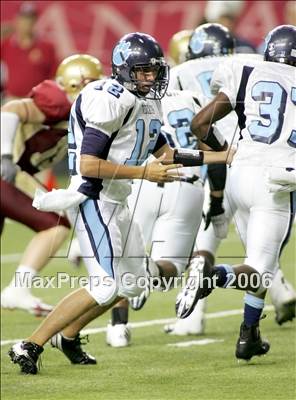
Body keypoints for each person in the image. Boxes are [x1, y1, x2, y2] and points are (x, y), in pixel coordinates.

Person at [8, 32, 234, 374]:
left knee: (132, 283)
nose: (150, 77)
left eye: (154, 70)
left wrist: (221, 156)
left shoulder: (145, 101)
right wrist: (143, 173)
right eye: (142, 71)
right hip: (92, 199)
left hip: (117, 199)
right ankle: (29, 344)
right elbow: (88, 165)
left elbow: (167, 153)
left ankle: (68, 337)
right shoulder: (110, 99)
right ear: (124, 69)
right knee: (106, 285)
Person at [175, 25, 296, 361]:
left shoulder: (246, 69)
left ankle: (249, 336)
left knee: (261, 264)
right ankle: (211, 276)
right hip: (277, 181)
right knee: (258, 268)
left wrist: (225, 150)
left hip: (238, 172)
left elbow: (199, 125)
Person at [1, 54, 104, 316]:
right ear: (73, 84)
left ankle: (17, 289)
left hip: (16, 173)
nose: (97, 90)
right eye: (91, 84)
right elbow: (10, 110)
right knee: (55, 226)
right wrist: (4, 157)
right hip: (6, 170)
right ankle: (17, 290)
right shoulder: (57, 101)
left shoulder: (85, 112)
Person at [1, 2, 58, 100]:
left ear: (35, 21)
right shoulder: (6, 45)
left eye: (30, 19)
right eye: (23, 19)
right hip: (11, 99)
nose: (27, 23)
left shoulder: (47, 47)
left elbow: (54, 75)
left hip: (37, 101)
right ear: (16, 20)